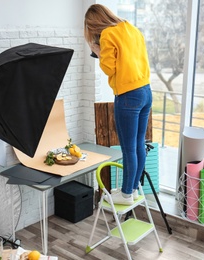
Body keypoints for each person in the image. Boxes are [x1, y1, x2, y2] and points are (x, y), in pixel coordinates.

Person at [84, 4, 152, 205]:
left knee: (128, 148)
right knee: (139, 144)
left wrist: (97, 49)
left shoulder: (107, 35)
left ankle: (125, 194)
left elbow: (108, 68)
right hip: (146, 91)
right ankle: (134, 189)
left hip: (128, 95)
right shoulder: (131, 28)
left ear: (94, 23)